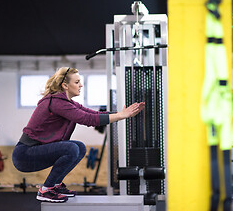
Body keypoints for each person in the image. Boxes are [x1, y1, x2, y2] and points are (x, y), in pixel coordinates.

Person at [12, 67, 145, 203]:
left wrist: (121, 114)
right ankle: (46, 190)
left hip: (35, 151)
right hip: (25, 155)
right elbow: (88, 120)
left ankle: (55, 186)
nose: (81, 85)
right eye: (77, 82)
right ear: (65, 85)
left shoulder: (68, 103)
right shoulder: (57, 102)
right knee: (72, 148)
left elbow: (94, 114)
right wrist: (120, 116)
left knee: (79, 147)